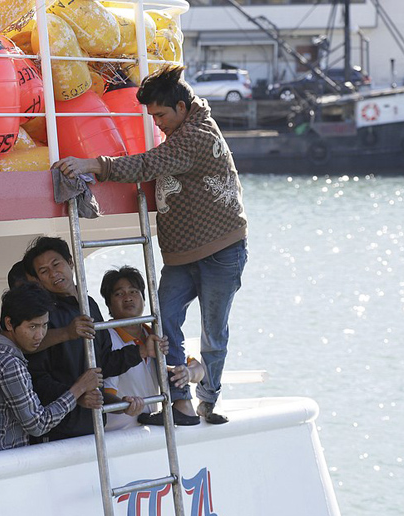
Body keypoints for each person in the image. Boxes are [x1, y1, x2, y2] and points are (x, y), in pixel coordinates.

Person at [52, 64, 248, 425]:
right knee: (163, 321)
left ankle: (209, 400)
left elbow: (147, 163)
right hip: (183, 254)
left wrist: (92, 164)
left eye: (160, 115)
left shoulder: (195, 136)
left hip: (221, 250)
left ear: (182, 108)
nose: (156, 123)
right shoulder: (186, 123)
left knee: (213, 331)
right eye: (152, 116)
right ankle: (180, 403)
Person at [21, 236, 168, 441]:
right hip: (57, 432)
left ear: (70, 263)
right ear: (38, 280)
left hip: (94, 427)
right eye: (44, 271)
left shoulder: (89, 304)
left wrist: (142, 351)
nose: (53, 273)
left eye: (56, 264)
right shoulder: (42, 313)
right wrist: (75, 395)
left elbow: (103, 363)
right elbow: (36, 376)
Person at [0, 282, 103, 455]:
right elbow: (38, 424)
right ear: (9, 323)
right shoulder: (9, 365)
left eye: (44, 325)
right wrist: (79, 388)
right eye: (32, 327)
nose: (40, 335)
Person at [100, 266, 203, 429]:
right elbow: (103, 394)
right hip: (118, 434)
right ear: (109, 304)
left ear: (143, 299)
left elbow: (198, 369)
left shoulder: (154, 333)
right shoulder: (107, 338)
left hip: (151, 430)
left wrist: (188, 373)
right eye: (119, 294)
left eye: (133, 292)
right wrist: (124, 405)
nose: (128, 298)